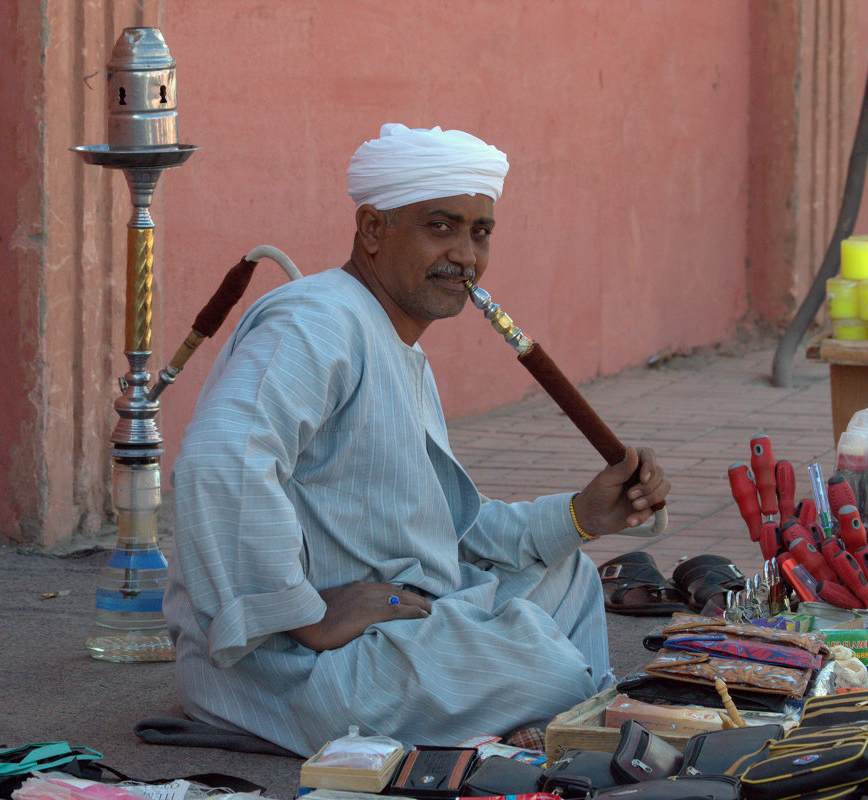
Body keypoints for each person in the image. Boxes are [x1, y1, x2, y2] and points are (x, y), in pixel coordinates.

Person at [163, 123, 671, 757]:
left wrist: (581, 515)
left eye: (479, 233)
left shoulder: (396, 345)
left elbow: (439, 524)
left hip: (393, 615)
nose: (465, 255)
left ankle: (537, 728)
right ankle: (548, 725)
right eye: (440, 226)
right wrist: (306, 616)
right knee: (550, 670)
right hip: (292, 662)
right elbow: (219, 462)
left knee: (568, 578)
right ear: (374, 229)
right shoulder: (316, 321)